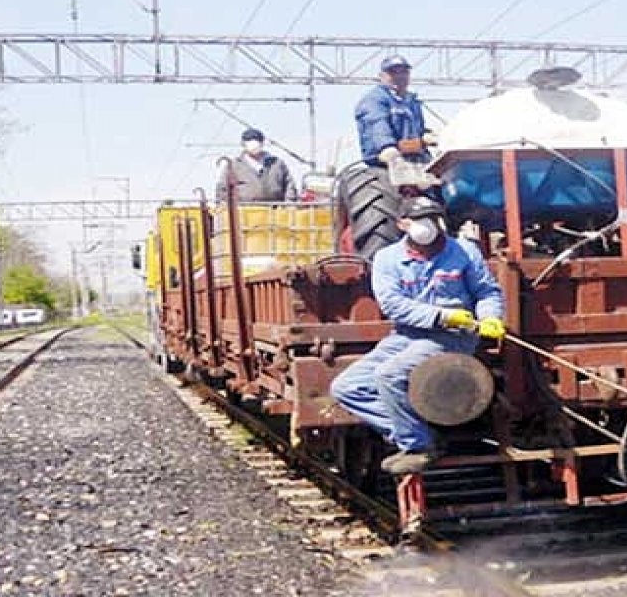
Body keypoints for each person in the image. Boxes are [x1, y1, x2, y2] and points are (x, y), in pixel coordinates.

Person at [331, 197, 505, 475]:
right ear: (402, 224)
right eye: (420, 219)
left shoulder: (463, 251)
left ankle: (419, 446)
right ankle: (416, 435)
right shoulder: (387, 259)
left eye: (433, 218)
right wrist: (440, 315)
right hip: (408, 334)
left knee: (389, 375)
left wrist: (491, 317)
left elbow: (486, 291)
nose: (428, 225)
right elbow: (393, 305)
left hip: (453, 337)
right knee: (346, 387)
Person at [354, 55, 434, 170]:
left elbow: (418, 130)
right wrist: (386, 146)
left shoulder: (411, 102)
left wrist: (428, 136)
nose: (399, 76)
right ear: (382, 76)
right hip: (384, 163)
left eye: (404, 72)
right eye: (393, 73)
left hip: (416, 159)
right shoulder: (374, 100)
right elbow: (377, 123)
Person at [216, 128, 298, 203]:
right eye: (249, 141)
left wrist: (289, 203)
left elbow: (289, 185)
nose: (253, 144)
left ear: (262, 143)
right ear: (243, 143)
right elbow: (223, 189)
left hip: (274, 212)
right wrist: (224, 208)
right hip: (244, 212)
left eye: (257, 140)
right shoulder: (233, 165)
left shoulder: (277, 163)